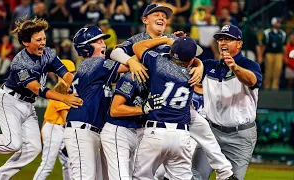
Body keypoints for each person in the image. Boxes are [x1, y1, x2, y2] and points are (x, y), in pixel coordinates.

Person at [111, 3, 235, 180]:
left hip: (169, 106)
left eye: (165, 15)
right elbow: (114, 53)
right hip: (145, 101)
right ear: (145, 20)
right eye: (157, 14)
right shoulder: (138, 38)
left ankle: (225, 172)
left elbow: (194, 53)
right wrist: (132, 62)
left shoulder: (171, 38)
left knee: (201, 125)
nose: (162, 17)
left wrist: (199, 66)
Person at [0, 17, 83, 179]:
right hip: (10, 101)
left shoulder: (48, 53)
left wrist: (71, 85)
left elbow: (65, 73)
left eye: (44, 38)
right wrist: (64, 98)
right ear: (26, 42)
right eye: (38, 40)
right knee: (12, 143)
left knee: (33, 148)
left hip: (28, 104)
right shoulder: (20, 62)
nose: (43, 42)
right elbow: (37, 88)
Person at [63, 25, 138, 180]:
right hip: (82, 129)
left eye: (103, 41)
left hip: (90, 130)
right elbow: (131, 66)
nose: (103, 44)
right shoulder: (95, 63)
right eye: (98, 42)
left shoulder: (96, 68)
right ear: (86, 49)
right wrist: (128, 51)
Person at [192, 24, 262, 180]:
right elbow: (187, 61)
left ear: (239, 44)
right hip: (211, 132)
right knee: (195, 176)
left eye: (229, 39)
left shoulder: (250, 65)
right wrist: (178, 42)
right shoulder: (209, 65)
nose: (223, 42)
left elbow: (252, 80)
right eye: (220, 39)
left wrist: (235, 67)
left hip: (240, 135)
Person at [132, 35, 203, 179]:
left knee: (141, 177)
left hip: (156, 131)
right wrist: (200, 65)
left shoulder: (158, 63)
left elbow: (137, 47)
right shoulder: (193, 72)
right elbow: (193, 62)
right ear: (191, 60)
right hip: (181, 135)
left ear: (171, 52)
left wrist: (165, 39)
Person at [33, 60, 76, 180]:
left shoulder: (65, 89)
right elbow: (65, 117)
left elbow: (47, 116)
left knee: (68, 162)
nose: (72, 75)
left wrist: (42, 130)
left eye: (73, 72)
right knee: (47, 164)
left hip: (56, 128)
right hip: (55, 129)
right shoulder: (60, 90)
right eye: (70, 72)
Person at [261, 17, 286, 89]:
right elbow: (263, 45)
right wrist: (261, 55)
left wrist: (285, 55)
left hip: (279, 53)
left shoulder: (282, 33)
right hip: (269, 53)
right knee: (268, 70)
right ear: (273, 23)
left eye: (280, 22)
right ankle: (267, 86)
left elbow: (284, 45)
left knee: (278, 69)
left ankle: (275, 87)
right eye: (277, 22)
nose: (279, 24)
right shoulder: (267, 32)